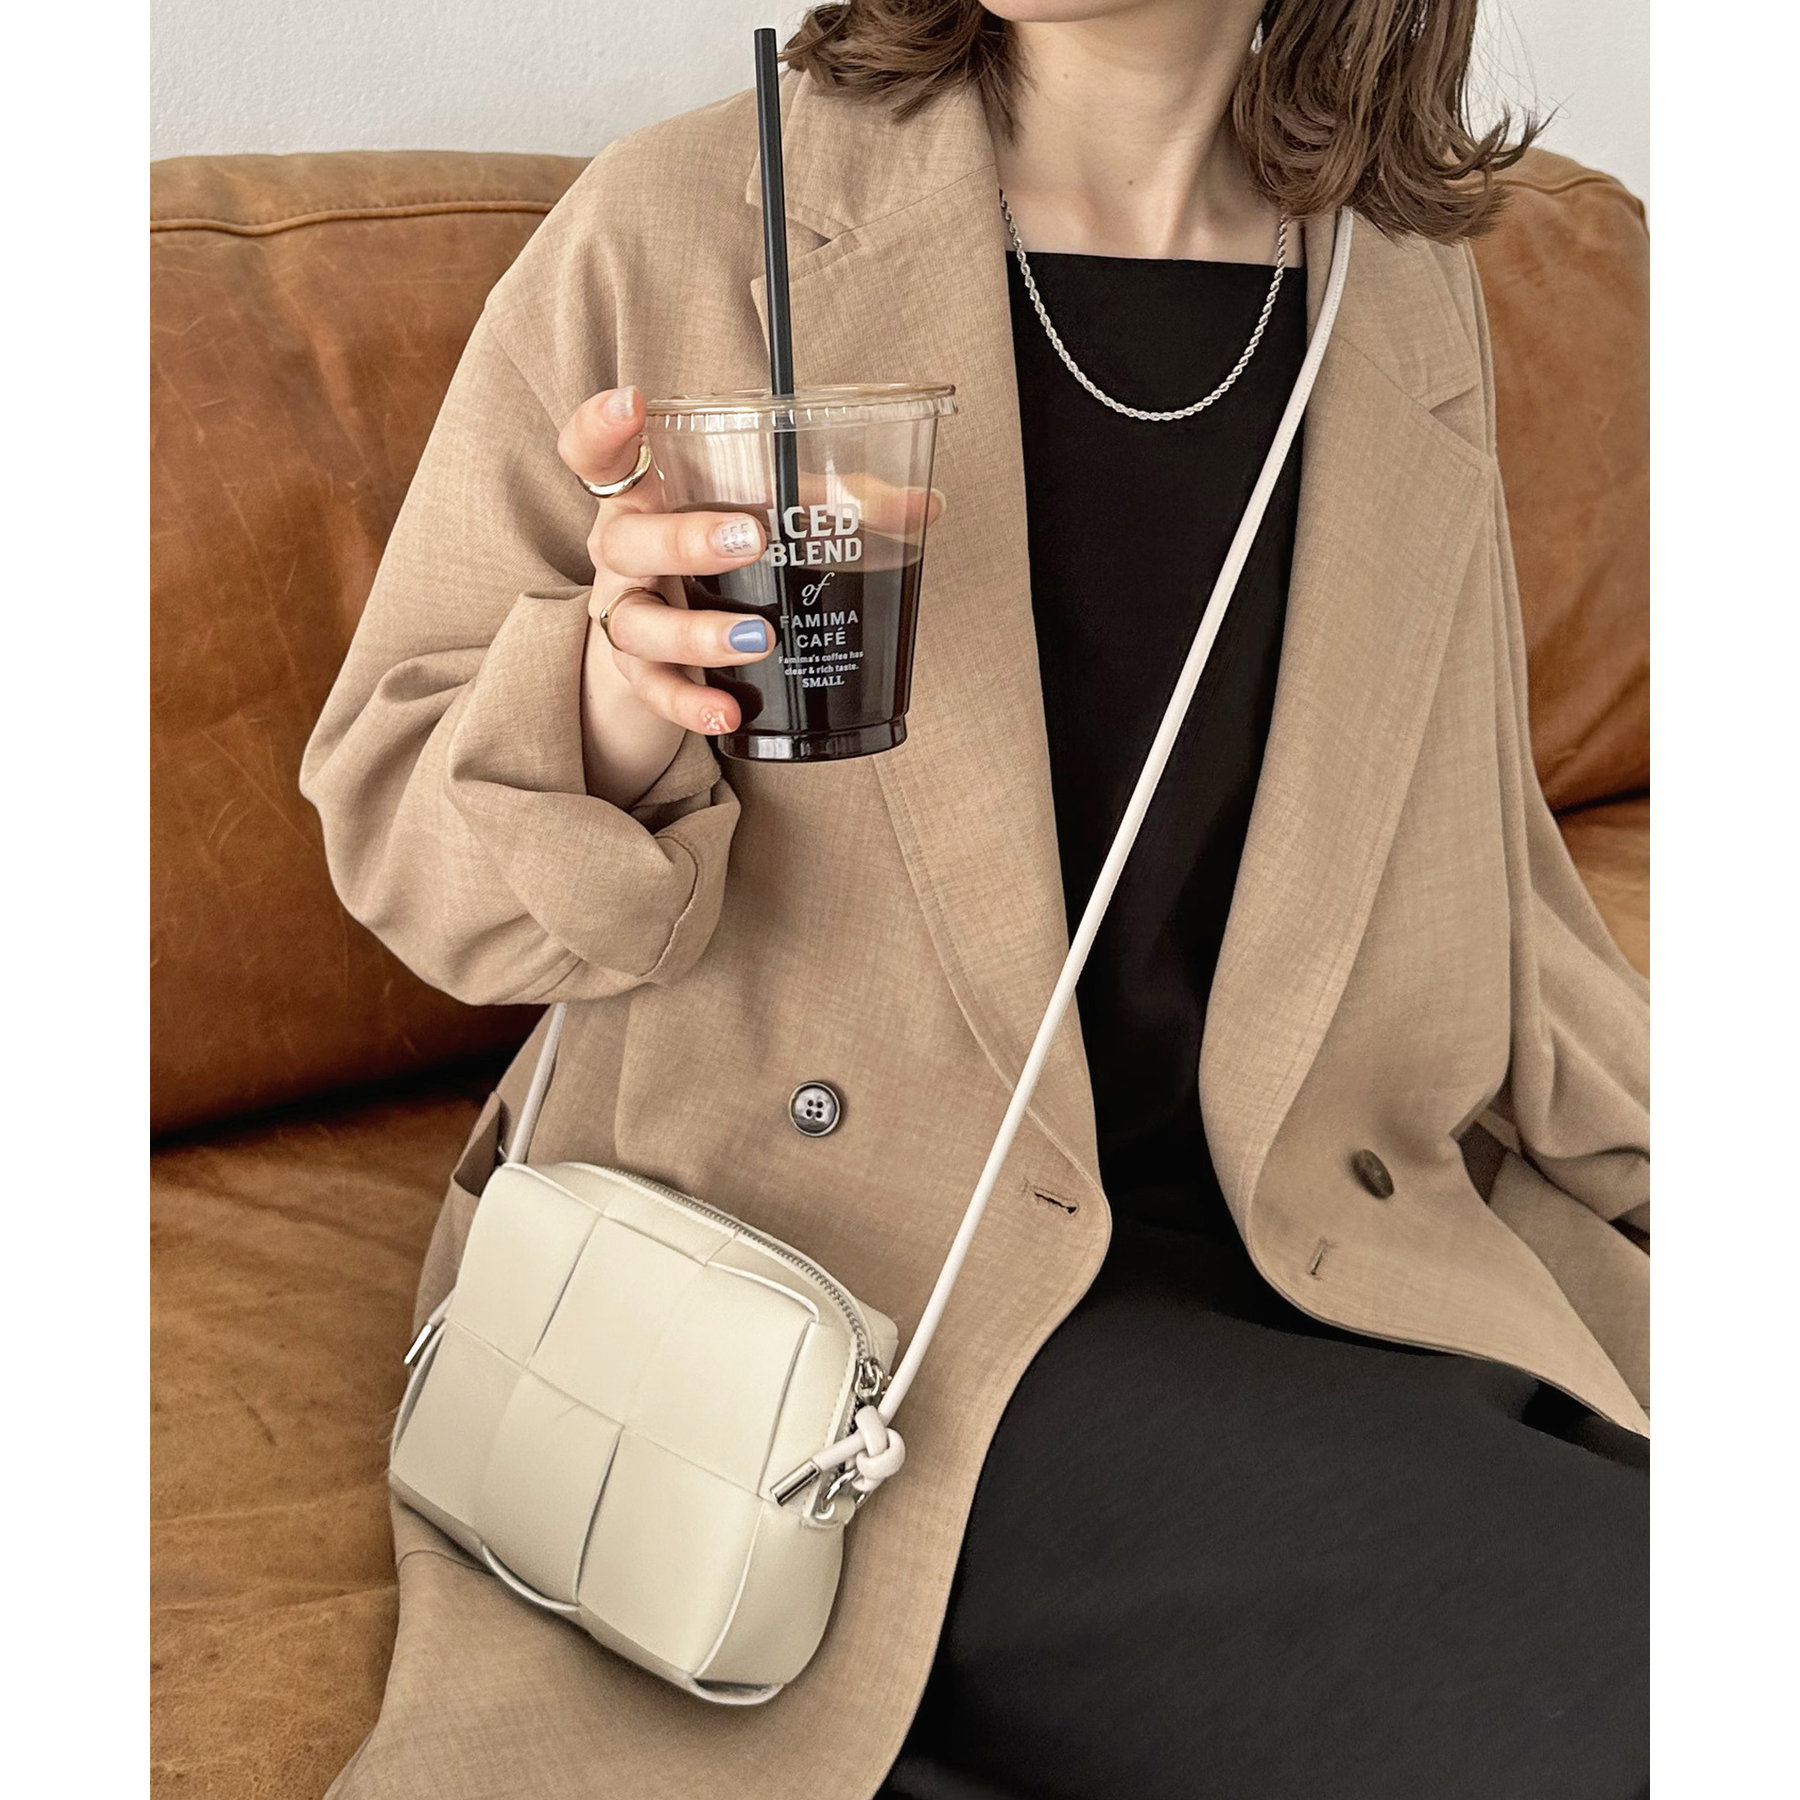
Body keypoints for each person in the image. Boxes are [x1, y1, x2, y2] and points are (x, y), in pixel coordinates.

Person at [301, 3, 1649, 1796]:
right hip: (879, 1314)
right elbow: (401, 835)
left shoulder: (1395, 283)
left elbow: (1480, 847)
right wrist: (615, 705)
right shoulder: (691, 225)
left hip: (1338, 1243)